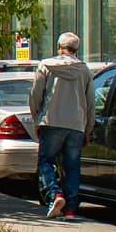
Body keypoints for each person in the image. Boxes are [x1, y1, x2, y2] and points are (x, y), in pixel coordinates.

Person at [28, 32, 94, 219]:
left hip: (51, 121)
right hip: (76, 124)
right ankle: (71, 209)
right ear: (77, 49)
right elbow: (90, 103)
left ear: (58, 46)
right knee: (72, 166)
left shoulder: (46, 66)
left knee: (45, 162)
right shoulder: (85, 70)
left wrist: (37, 119)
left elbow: (35, 95)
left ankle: (55, 194)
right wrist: (87, 129)